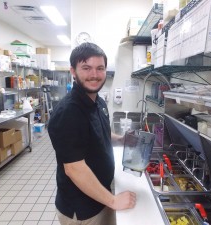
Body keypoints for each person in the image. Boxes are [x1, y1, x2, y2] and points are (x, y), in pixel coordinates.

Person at [48, 42, 136, 225]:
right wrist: (113, 200)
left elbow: (98, 135)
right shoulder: (69, 112)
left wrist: (121, 140)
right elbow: (73, 169)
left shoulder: (98, 102)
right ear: (73, 71)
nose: (94, 75)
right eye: (86, 68)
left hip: (100, 195)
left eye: (100, 68)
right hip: (83, 209)